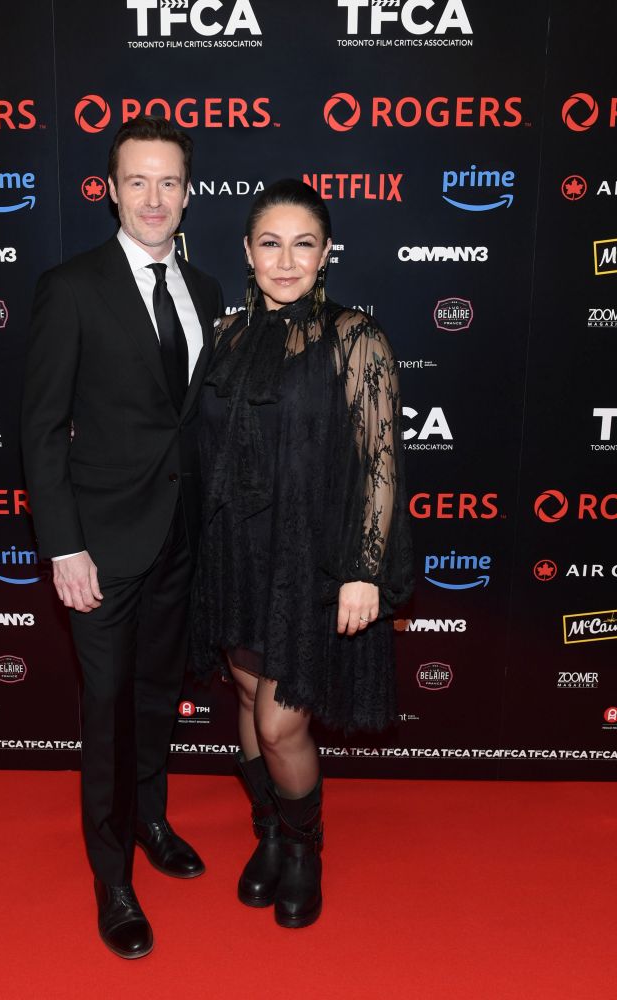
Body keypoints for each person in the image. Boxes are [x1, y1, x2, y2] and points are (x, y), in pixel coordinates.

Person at [21, 116, 223, 960]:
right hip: (100, 549)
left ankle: (150, 820)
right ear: (110, 190)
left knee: (154, 698)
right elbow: (41, 428)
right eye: (137, 181)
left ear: (188, 193)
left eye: (168, 181)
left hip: (180, 540)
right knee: (106, 712)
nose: (154, 197)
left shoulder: (205, 289)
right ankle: (112, 879)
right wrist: (64, 547)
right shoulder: (71, 287)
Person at [192, 179, 413, 929]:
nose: (285, 261)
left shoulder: (355, 337)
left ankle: (303, 846)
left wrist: (365, 569)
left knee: (281, 723)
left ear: (325, 254)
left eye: (303, 245)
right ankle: (267, 832)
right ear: (247, 251)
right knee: (246, 698)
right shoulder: (225, 335)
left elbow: (381, 462)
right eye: (270, 244)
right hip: (235, 552)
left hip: (310, 561)